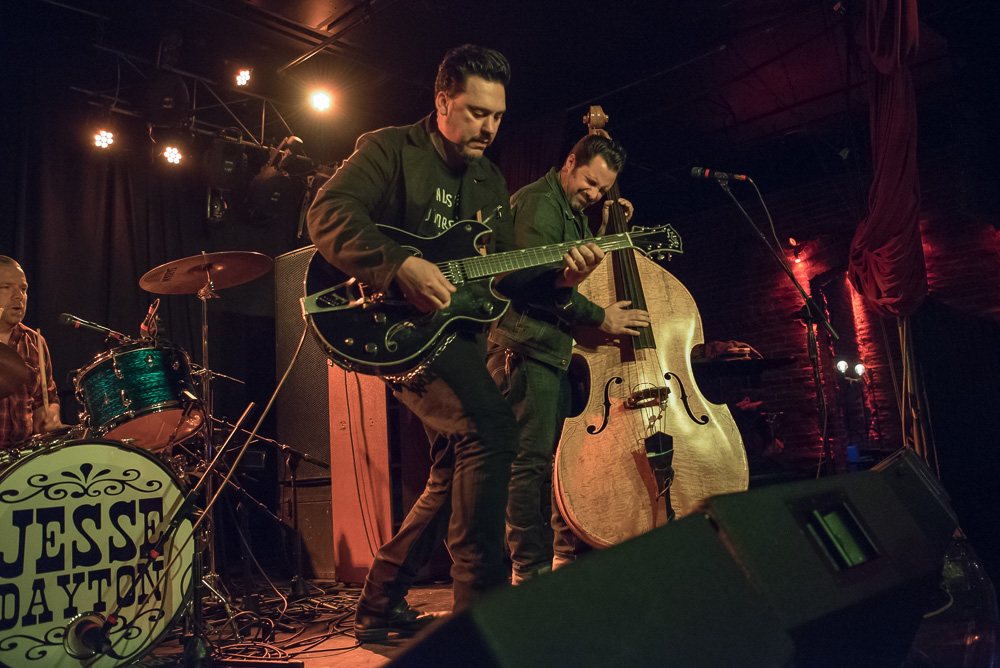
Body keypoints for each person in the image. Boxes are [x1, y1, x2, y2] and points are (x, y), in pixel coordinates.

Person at [306, 45, 606, 641]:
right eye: (475, 112)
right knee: (492, 430)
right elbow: (329, 213)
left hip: (458, 336)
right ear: (442, 101)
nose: (489, 127)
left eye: (497, 116)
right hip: (389, 324)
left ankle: (378, 602)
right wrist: (398, 265)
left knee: (451, 473)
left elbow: (494, 272)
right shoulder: (390, 149)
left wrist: (561, 277)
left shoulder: (490, 178)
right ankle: (481, 619)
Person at [487, 134, 651, 584]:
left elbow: (576, 274)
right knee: (530, 466)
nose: (594, 194)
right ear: (570, 161)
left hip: (553, 352)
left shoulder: (574, 213)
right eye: (590, 182)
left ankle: (561, 562)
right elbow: (530, 280)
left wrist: (602, 233)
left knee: (556, 464)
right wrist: (602, 318)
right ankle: (529, 573)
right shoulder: (540, 203)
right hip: (525, 348)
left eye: (603, 189)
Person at [0, 255, 63, 449]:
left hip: (22, 460)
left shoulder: (35, 342)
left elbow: (46, 398)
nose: (18, 296)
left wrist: (50, 415)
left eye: (23, 289)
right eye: (6, 287)